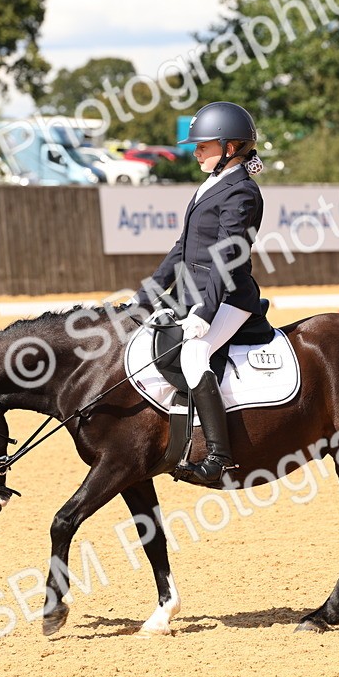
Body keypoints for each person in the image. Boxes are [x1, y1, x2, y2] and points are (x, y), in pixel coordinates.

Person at [132, 101, 268, 485]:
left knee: (194, 353)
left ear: (230, 147)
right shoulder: (212, 183)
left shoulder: (242, 192)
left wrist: (205, 313)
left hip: (229, 297)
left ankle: (219, 456)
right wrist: (145, 297)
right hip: (194, 293)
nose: (195, 152)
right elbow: (182, 249)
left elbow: (226, 258)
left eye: (203, 146)